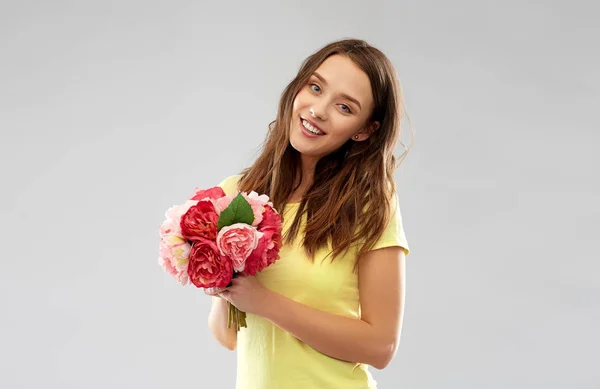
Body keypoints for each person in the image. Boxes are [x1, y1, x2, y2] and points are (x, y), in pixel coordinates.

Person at [206, 38, 412, 389]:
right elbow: (228, 336)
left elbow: (381, 346)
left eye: (345, 108)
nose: (317, 110)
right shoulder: (236, 195)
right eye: (315, 87)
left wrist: (264, 301)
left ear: (365, 130)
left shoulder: (369, 205)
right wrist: (221, 280)